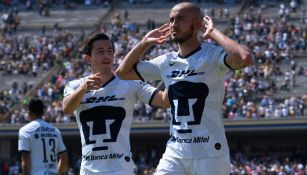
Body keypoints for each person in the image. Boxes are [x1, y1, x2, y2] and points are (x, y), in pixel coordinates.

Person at [115, 2, 253, 175]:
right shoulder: (166, 61)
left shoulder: (212, 55)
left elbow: (244, 58)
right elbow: (122, 73)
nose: (173, 24)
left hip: (210, 153)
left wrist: (213, 33)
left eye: (180, 19)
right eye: (171, 20)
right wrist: (144, 43)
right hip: (176, 152)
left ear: (197, 24)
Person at [62, 32, 169, 175]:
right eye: (100, 51)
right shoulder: (75, 86)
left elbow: (164, 101)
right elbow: (67, 108)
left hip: (120, 169)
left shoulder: (130, 83)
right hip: (89, 169)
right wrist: (83, 89)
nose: (106, 56)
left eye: (110, 51)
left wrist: (173, 74)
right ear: (88, 58)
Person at [18, 98, 69, 175]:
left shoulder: (25, 130)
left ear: (29, 113)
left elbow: (25, 160)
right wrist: (58, 172)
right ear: (43, 113)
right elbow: (64, 158)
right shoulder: (55, 131)